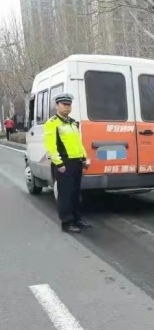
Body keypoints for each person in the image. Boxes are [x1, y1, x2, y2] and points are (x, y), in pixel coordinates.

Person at [44, 93, 91, 233]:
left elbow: (78, 143)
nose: (67, 107)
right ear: (57, 106)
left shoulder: (72, 122)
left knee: (76, 193)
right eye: (64, 104)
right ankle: (67, 222)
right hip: (64, 163)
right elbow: (51, 146)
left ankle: (77, 219)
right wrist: (59, 164)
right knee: (65, 194)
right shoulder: (52, 123)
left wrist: (84, 157)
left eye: (69, 104)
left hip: (76, 162)